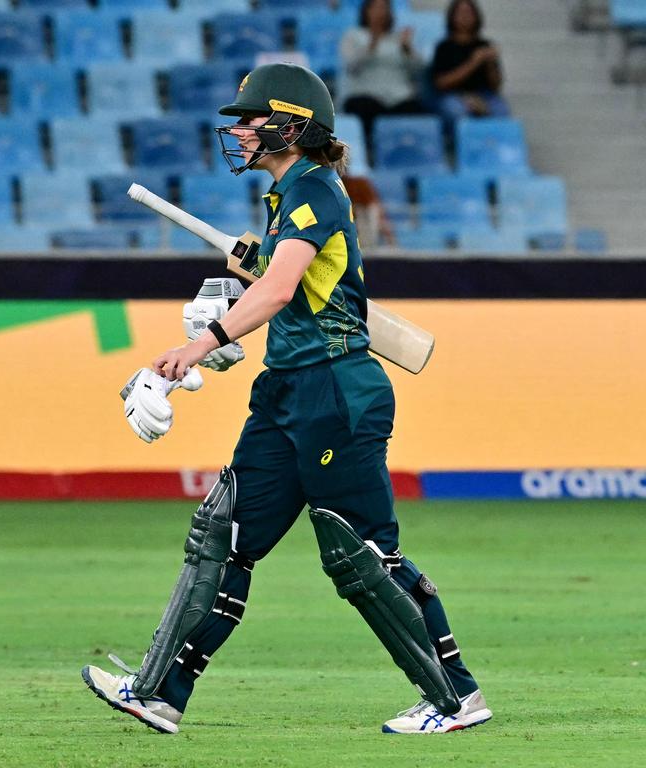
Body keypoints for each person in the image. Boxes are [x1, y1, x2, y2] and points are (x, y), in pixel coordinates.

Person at [81, 62, 492, 735]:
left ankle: (456, 698)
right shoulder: (283, 203)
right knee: (224, 535)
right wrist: (225, 307)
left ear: (290, 126)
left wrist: (200, 341)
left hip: (337, 390)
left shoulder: (316, 194)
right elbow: (278, 291)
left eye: (249, 119)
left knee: (362, 556)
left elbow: (275, 294)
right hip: (285, 392)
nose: (238, 130)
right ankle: (157, 692)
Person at [339, 0, 427, 149]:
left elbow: (419, 70)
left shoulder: (400, 38)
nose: (380, 12)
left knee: (415, 109)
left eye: (384, 8)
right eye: (376, 8)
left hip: (398, 97)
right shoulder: (353, 36)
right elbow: (351, 67)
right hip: (366, 94)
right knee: (364, 107)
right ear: (366, 12)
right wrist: (372, 44)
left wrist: (408, 50)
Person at [430, 0, 509, 127]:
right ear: (452, 17)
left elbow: (496, 86)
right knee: (457, 112)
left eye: (469, 12)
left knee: (501, 111)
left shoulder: (485, 45)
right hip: (453, 96)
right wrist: (474, 62)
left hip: (484, 95)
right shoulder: (444, 47)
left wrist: (490, 63)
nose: (465, 16)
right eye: (460, 12)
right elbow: (441, 83)